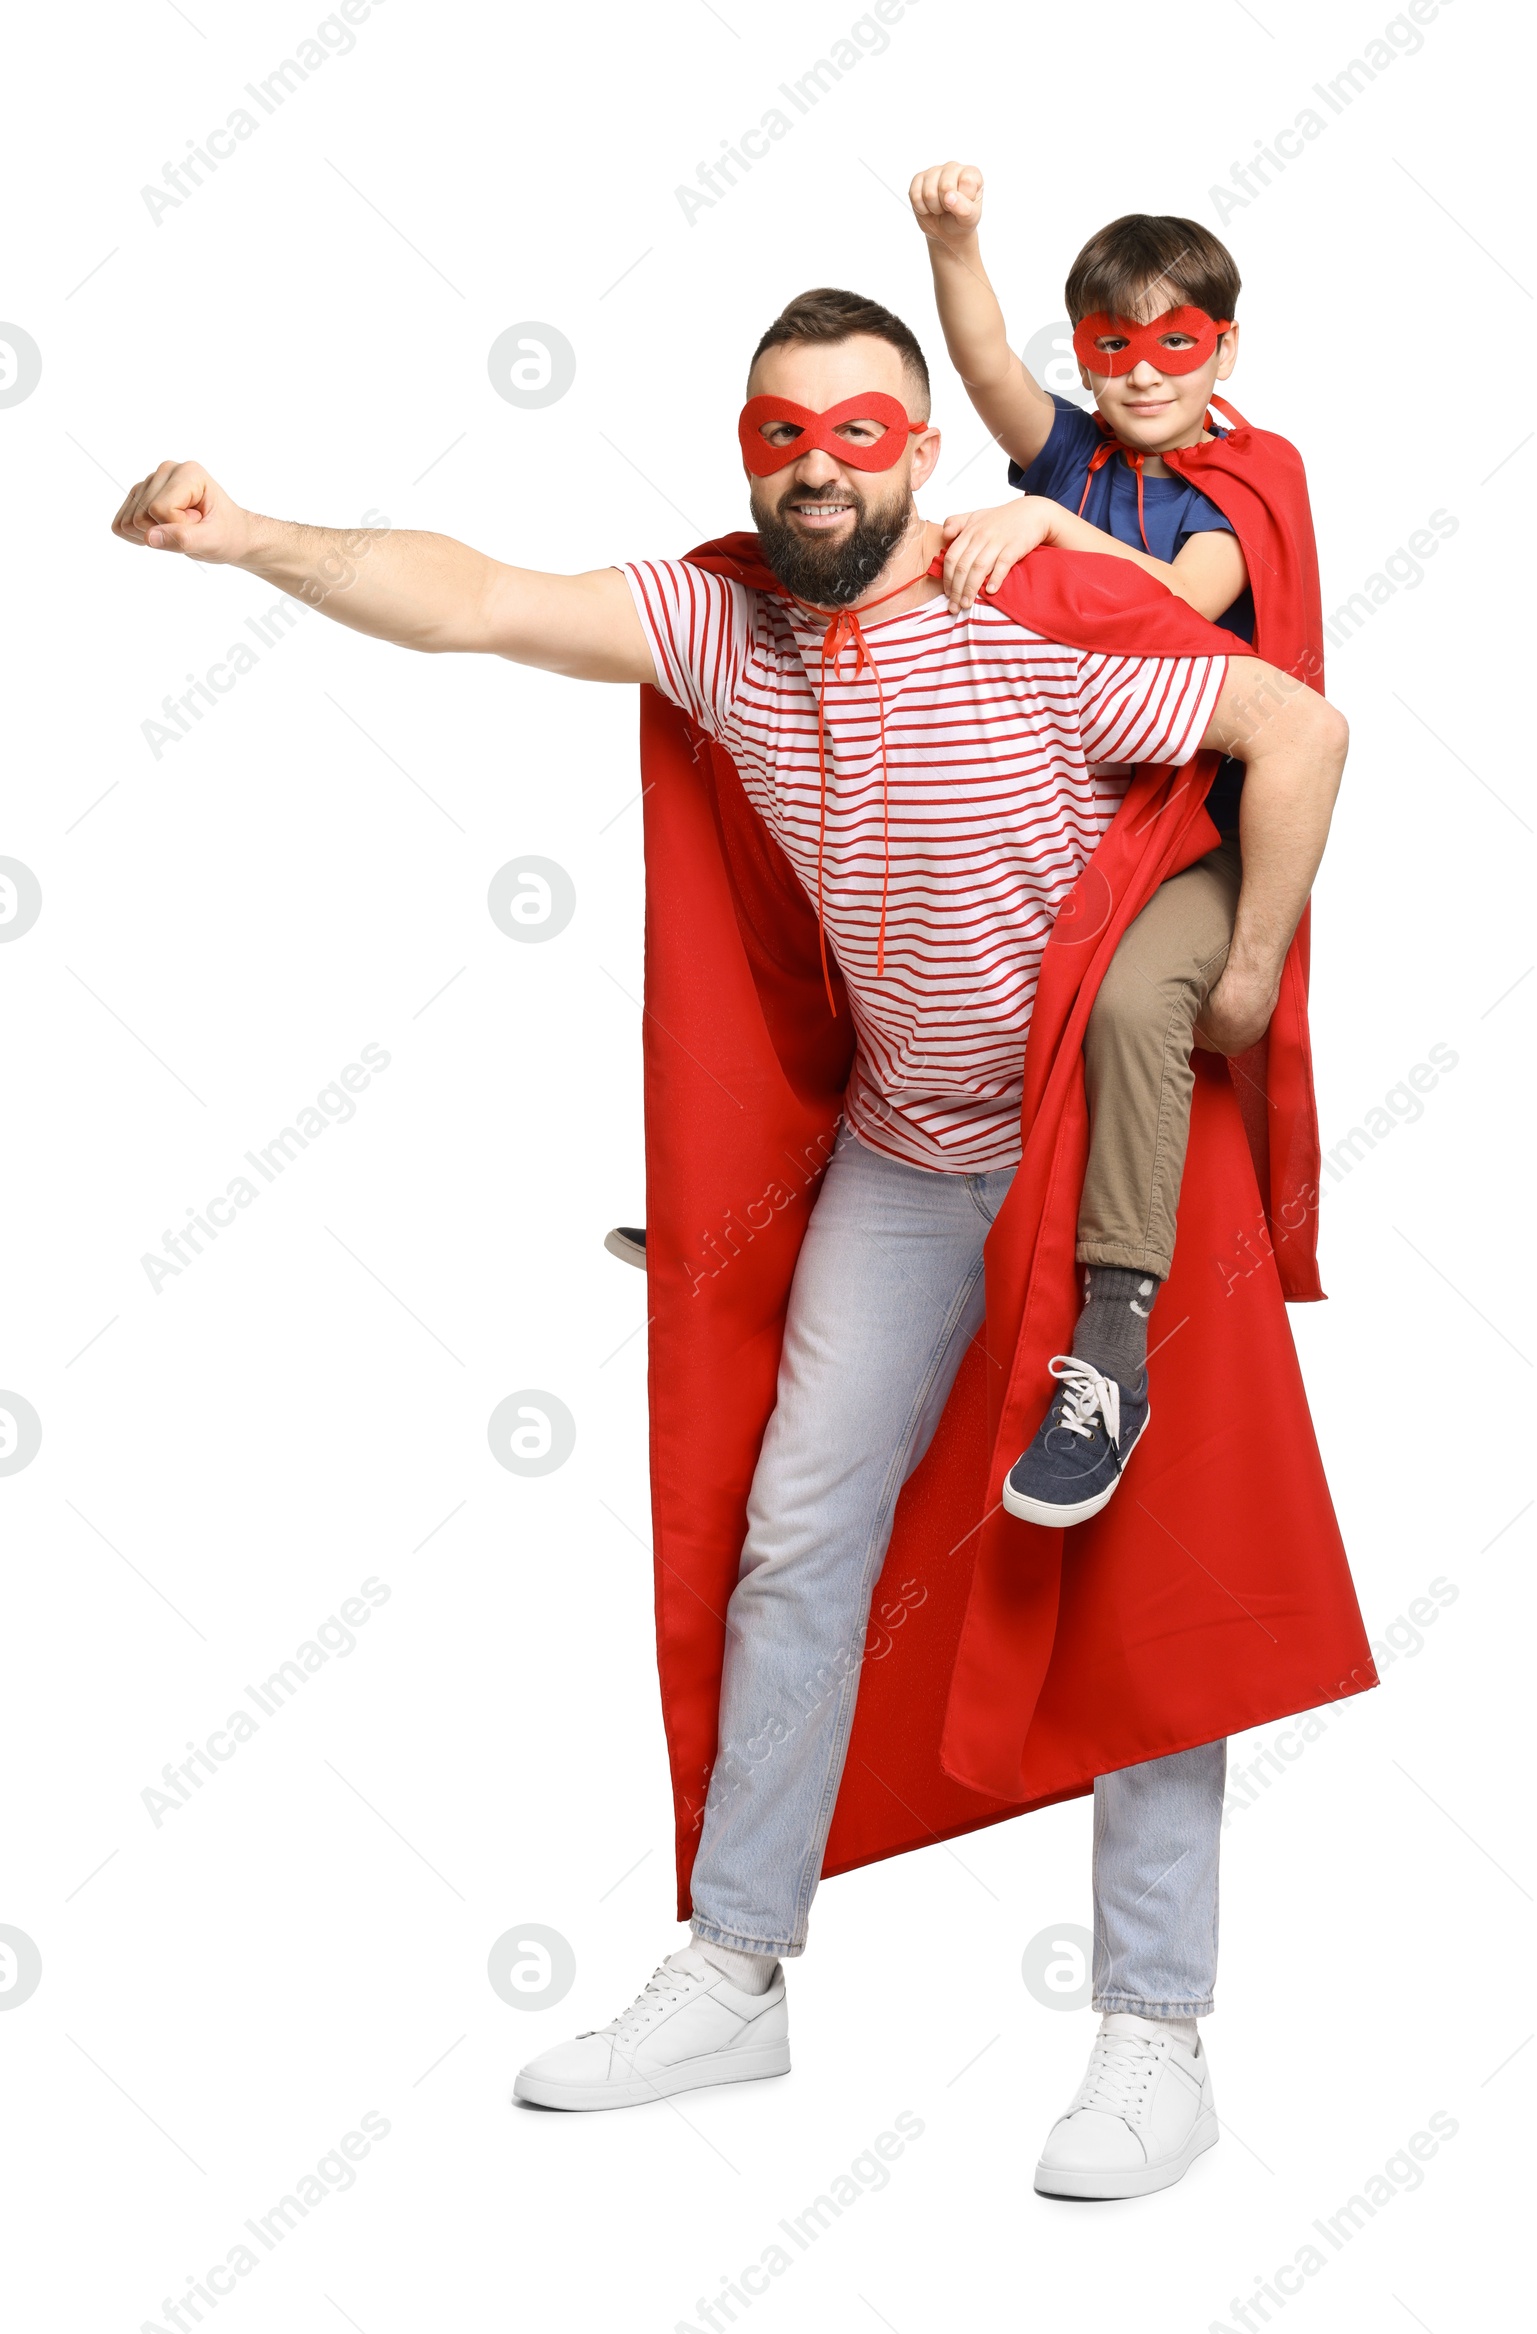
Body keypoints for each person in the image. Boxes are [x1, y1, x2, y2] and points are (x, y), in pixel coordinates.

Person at [109, 285, 1348, 2198]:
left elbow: (1290, 722)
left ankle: (1155, 2031)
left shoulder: (1030, 615)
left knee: (1139, 1578)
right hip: (902, 1155)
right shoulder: (719, 623)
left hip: (1100, 1153)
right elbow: (478, 597)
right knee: (792, 1533)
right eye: (783, 432)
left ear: (924, 454)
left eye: (863, 432)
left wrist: (1246, 971)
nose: (818, 465)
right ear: (746, 448)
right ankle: (738, 1961)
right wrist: (254, 534)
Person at [910, 160, 1308, 1529]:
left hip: (1201, 842)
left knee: (1133, 1001)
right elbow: (977, 362)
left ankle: (1116, 1353)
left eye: (1176, 346)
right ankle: (783, 1212)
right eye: (1112, 349)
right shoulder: (1077, 448)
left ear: (1226, 348)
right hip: (1080, 811)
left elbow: (1185, 608)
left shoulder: (1241, 489)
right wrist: (953, 240)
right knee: (905, 875)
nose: (1143, 377)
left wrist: (1046, 523)